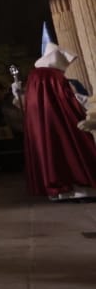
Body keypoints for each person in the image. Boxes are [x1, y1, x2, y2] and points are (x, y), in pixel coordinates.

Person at [17, 46, 96, 200]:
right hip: (62, 123)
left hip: (44, 125)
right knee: (72, 147)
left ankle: (60, 192)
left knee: (50, 151)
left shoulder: (35, 77)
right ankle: (80, 186)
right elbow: (71, 99)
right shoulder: (54, 77)